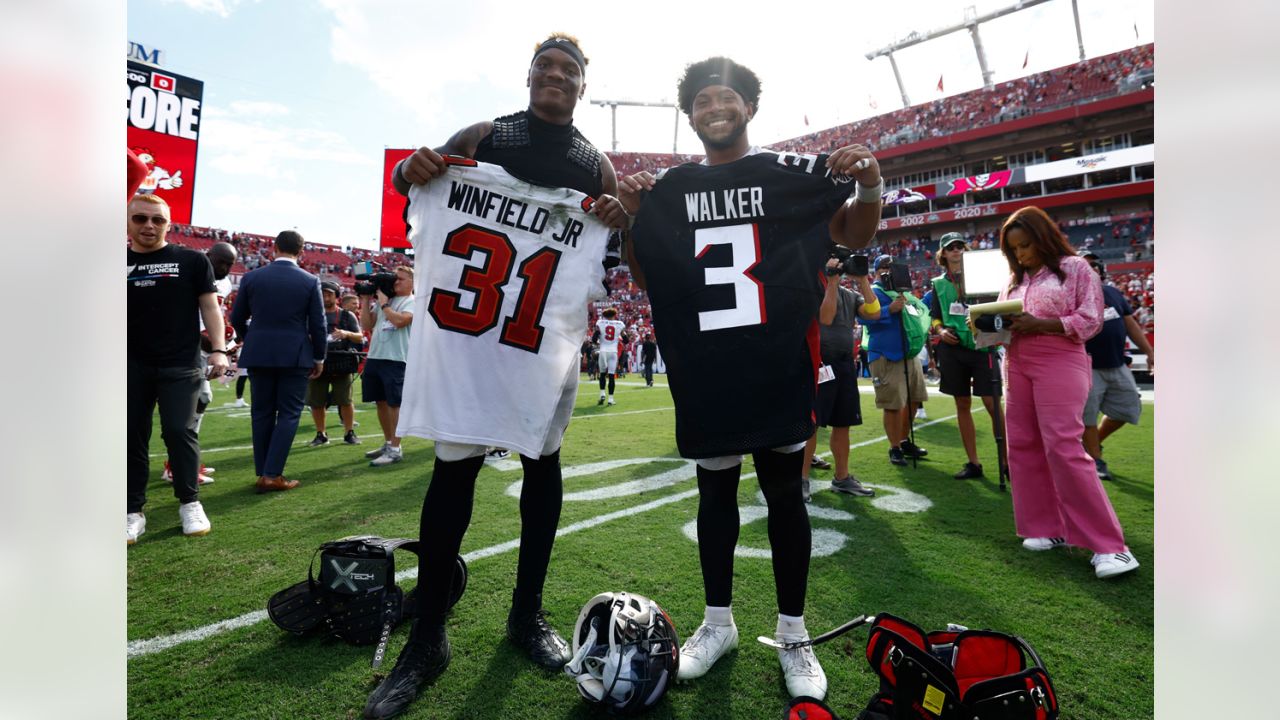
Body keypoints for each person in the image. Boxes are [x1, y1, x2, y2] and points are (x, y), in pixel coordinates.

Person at [363, 33, 629, 720]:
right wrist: (408, 171)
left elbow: (609, 256)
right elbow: (415, 199)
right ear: (531, 74)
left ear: (582, 86)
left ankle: (525, 613)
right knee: (454, 469)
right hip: (471, 337)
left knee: (544, 464)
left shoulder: (594, 164)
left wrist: (617, 221)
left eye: (570, 71)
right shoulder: (485, 134)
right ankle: (427, 640)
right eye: (548, 66)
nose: (557, 77)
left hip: (542, 343)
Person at [619, 56, 883, 701]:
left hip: (776, 360)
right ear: (690, 114)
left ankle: (793, 633)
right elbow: (647, 272)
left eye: (728, 96)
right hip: (708, 367)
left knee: (785, 498)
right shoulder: (670, 188)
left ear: (749, 108)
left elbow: (850, 229)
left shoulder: (789, 174)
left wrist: (870, 185)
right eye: (704, 98)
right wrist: (631, 217)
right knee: (715, 497)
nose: (716, 106)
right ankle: (718, 624)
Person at [995, 206, 1139, 579]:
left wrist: (1041, 324)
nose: (1022, 254)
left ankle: (1111, 547)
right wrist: (986, 325)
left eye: (1026, 245)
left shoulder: (1076, 268)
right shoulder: (1016, 278)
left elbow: (1091, 320)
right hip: (1016, 360)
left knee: (1063, 445)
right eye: (1014, 250)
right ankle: (1046, 527)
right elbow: (1006, 323)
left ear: (1043, 237)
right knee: (1023, 445)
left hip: (1060, 358)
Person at [127, 194, 228, 543]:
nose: (149, 226)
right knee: (129, 436)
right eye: (140, 219)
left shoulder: (191, 260)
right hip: (127, 365)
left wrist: (218, 349)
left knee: (178, 431)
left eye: (157, 219)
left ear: (169, 224)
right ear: (128, 222)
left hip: (180, 363)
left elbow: (211, 309)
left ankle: (189, 502)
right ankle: (132, 510)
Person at [229, 230, 327, 493]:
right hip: (295, 355)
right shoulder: (309, 280)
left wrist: (251, 339)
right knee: (289, 413)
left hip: (259, 353)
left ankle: (264, 472)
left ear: (273, 247)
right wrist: (319, 356)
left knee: (260, 413)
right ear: (302, 250)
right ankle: (272, 474)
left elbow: (236, 317)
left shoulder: (251, 277)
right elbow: (318, 324)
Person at [802, 258, 878, 501]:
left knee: (843, 422)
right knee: (812, 425)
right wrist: (832, 283)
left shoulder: (851, 294)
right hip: (819, 363)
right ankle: (802, 480)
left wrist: (863, 279)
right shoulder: (813, 289)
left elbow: (874, 313)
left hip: (844, 364)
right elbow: (826, 317)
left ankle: (842, 477)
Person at [928, 232, 1003, 480]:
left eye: (960, 246)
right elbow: (935, 315)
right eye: (951, 248)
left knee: (992, 404)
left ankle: (1007, 459)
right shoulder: (938, 283)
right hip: (953, 350)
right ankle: (973, 463)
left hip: (983, 347)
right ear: (943, 254)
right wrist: (940, 330)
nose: (957, 251)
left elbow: (997, 305)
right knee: (962, 404)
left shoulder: (984, 275)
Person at [163, 241, 238, 486]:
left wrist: (225, 344)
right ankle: (178, 464)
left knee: (200, 401)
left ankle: (183, 461)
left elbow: (213, 316)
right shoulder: (187, 271)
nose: (225, 267)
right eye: (221, 261)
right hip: (180, 349)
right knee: (193, 403)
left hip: (201, 349)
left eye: (230, 264)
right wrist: (210, 344)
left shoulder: (224, 283)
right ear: (208, 255)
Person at [1079, 250, 1154, 480]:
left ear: (1101, 270)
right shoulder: (1071, 297)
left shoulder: (1112, 292)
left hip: (1117, 363)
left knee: (1129, 407)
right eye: (1085, 265)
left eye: (1093, 265)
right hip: (1087, 366)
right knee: (1088, 417)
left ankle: (1095, 443)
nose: (1090, 268)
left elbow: (1130, 325)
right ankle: (1096, 459)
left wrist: (1150, 353)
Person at [863, 255, 930, 466]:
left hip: (908, 353)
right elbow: (862, 318)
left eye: (892, 267)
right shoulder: (873, 292)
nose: (888, 271)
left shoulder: (904, 293)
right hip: (886, 354)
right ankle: (894, 448)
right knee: (892, 404)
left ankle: (902, 440)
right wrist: (887, 310)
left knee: (914, 398)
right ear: (876, 272)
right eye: (884, 267)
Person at [358, 266, 414, 467]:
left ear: (412, 283)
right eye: (394, 278)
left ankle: (396, 448)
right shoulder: (386, 300)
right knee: (380, 401)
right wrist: (365, 300)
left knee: (394, 404)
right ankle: (389, 442)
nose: (395, 282)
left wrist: (383, 305)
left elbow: (400, 321)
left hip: (396, 358)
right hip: (375, 356)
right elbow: (366, 325)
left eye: (400, 279)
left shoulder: (412, 301)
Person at [306, 280, 364, 447]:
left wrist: (345, 333)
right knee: (316, 402)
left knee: (345, 400)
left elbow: (359, 336)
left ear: (337, 296)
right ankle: (321, 433)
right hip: (317, 362)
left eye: (329, 294)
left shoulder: (347, 315)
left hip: (342, 362)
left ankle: (349, 432)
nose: (325, 297)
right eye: (323, 293)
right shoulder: (311, 315)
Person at [593, 307, 627, 405]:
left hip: (603, 351)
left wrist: (599, 342)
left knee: (602, 374)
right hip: (613, 352)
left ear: (605, 316)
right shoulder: (619, 324)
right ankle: (610, 399)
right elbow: (626, 340)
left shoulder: (600, 323)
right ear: (614, 315)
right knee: (611, 375)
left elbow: (594, 338)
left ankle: (602, 393)